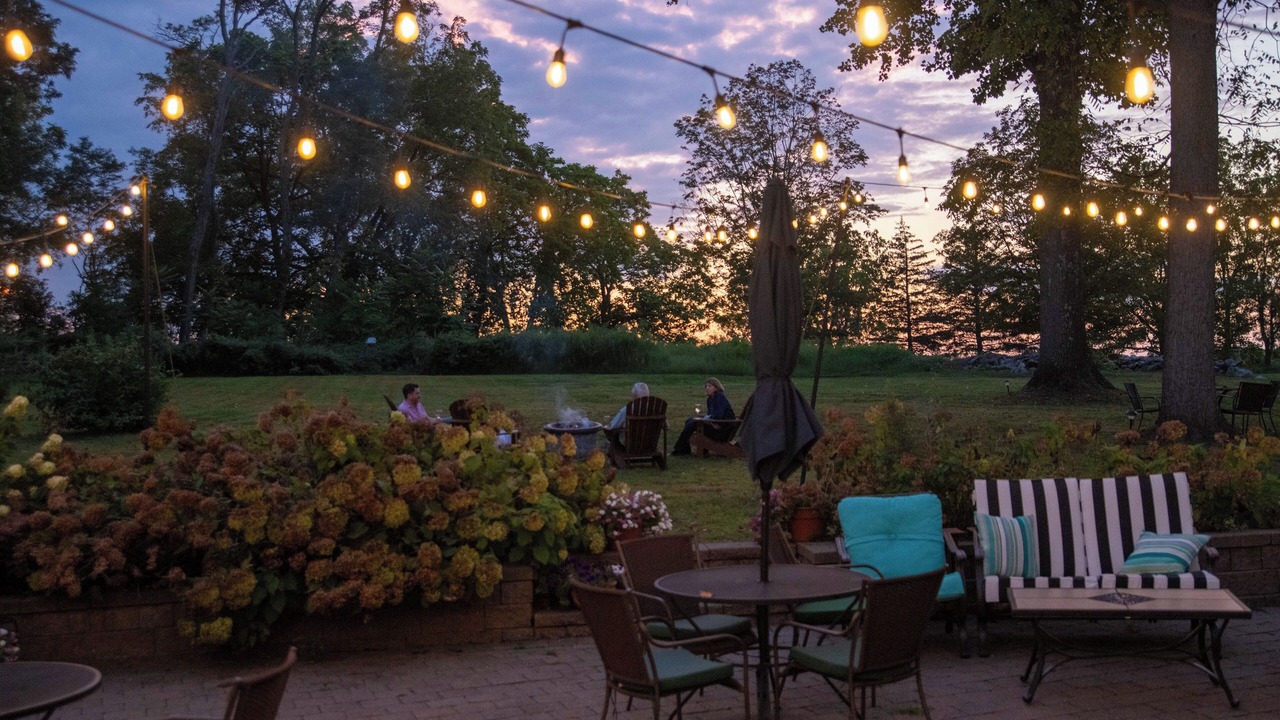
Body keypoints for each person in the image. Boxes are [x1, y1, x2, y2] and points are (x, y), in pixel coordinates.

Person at [672, 377, 735, 455]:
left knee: (694, 423)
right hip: (716, 425)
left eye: (709, 386)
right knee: (689, 421)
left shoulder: (720, 397)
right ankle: (685, 449)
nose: (707, 388)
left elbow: (718, 415)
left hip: (722, 430)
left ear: (716, 387)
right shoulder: (710, 399)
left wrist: (709, 419)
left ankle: (680, 449)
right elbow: (711, 415)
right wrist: (706, 418)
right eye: (706, 386)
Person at [606, 382, 650, 450]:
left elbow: (613, 426)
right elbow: (666, 426)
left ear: (634, 396)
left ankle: (610, 450)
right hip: (649, 444)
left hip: (629, 445)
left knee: (613, 434)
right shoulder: (656, 409)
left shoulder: (627, 410)